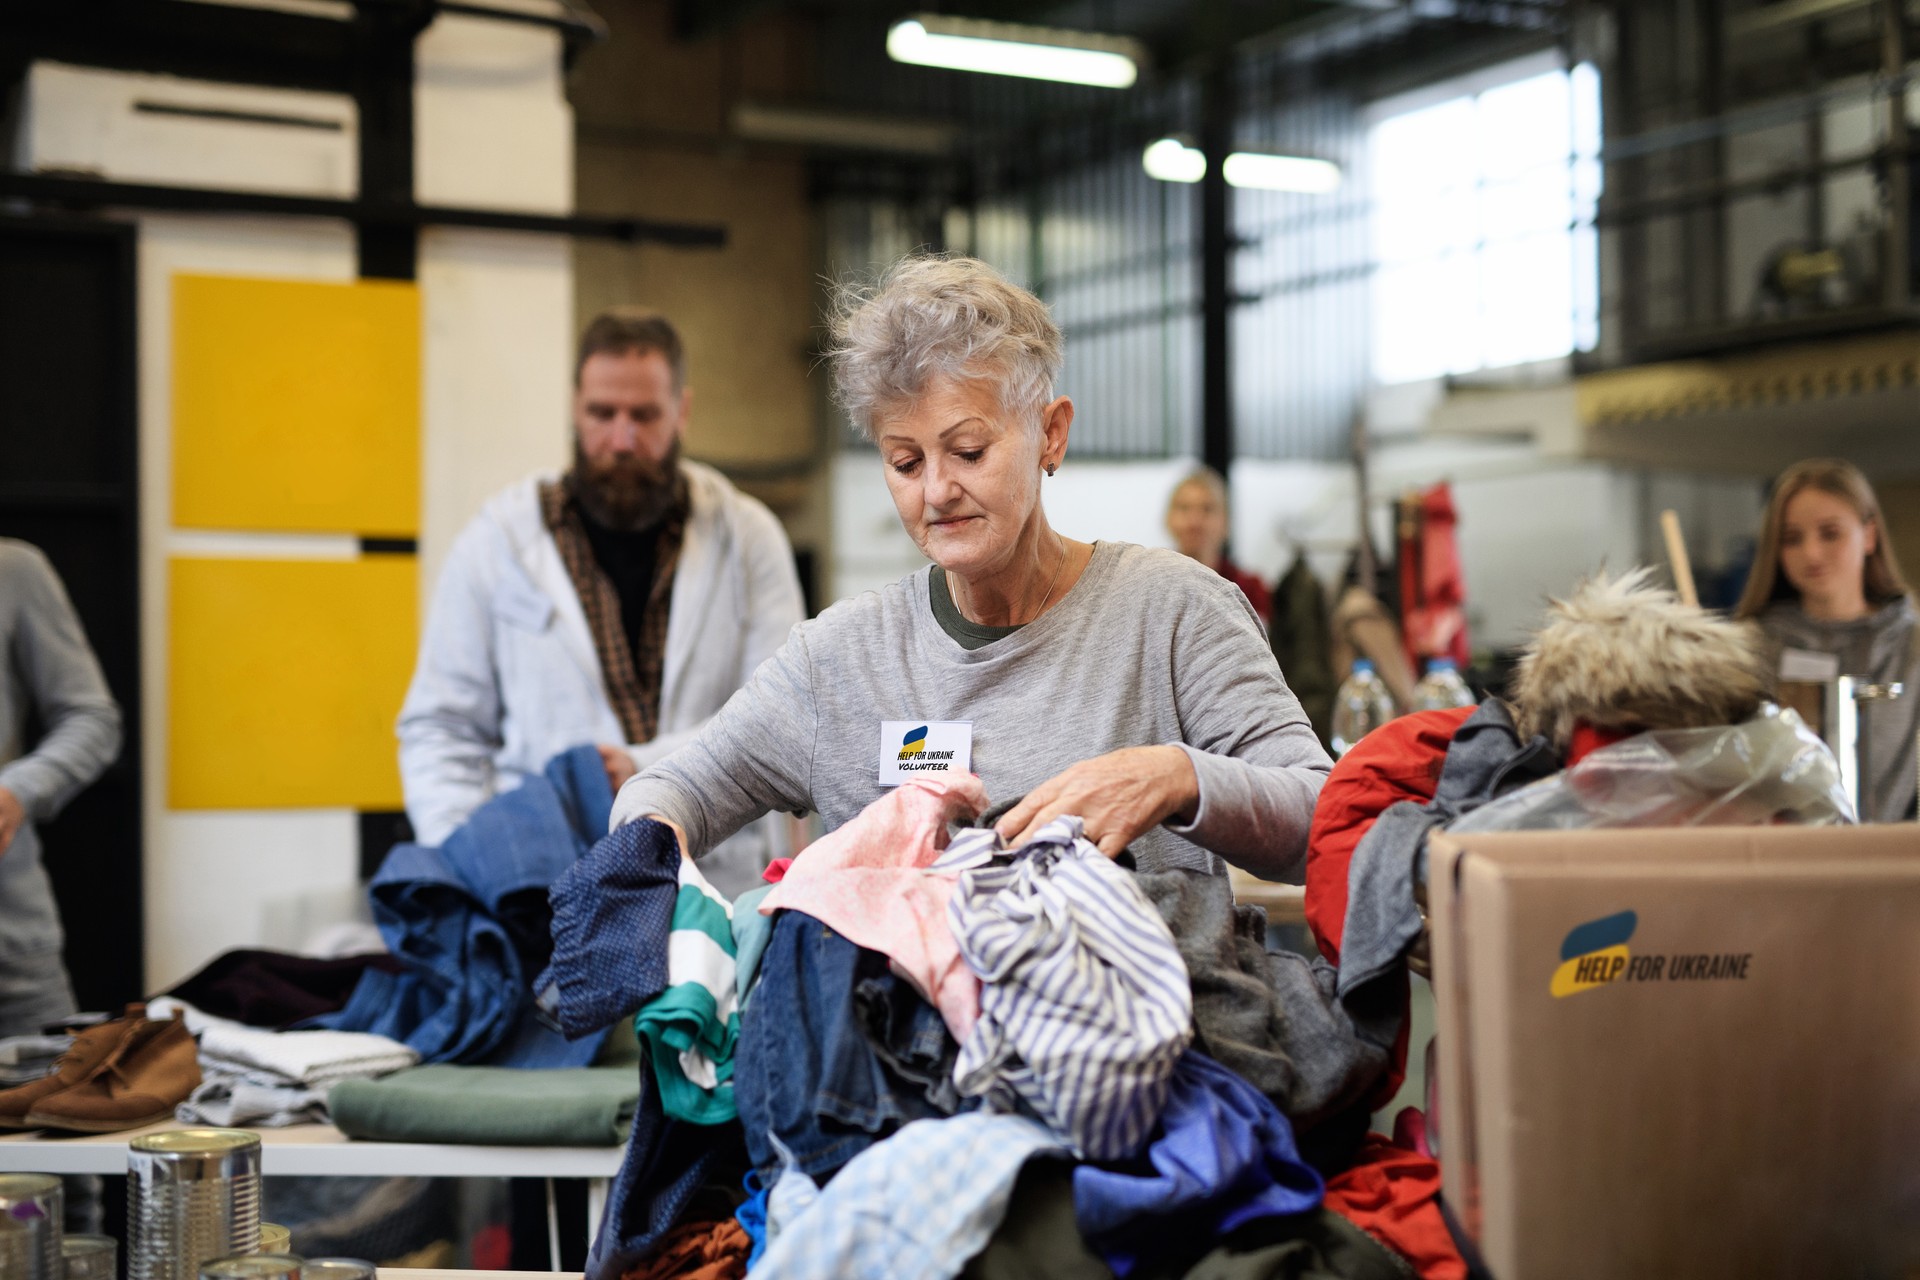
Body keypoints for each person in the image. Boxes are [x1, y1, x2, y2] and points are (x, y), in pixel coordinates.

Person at [611, 255, 1330, 880]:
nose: (937, 491)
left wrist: (1176, 776)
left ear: (1051, 434)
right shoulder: (839, 663)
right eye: (905, 461)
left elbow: (1320, 818)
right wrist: (645, 868)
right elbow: (673, 790)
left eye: (969, 451)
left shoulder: (1173, 615)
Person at [399, 309, 805, 891]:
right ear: (573, 408)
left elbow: (780, 716)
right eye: (602, 414)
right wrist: (467, 862)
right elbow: (441, 728)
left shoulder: (746, 537)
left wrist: (643, 767)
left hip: (716, 878)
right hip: (545, 889)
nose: (622, 439)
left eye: (644, 416)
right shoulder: (497, 543)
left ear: (681, 412)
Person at [1733, 458, 1920, 823]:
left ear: (1869, 535)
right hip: (1779, 865)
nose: (1812, 554)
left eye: (1830, 533)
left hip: (1900, 864)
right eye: (1792, 539)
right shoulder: (1747, 650)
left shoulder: (1912, 646)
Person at [0, 540, 121, 1037]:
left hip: (11, 947)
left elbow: (91, 718)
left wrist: (17, 791)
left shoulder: (13, 569)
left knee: (56, 1104)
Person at [1165, 466, 1271, 625]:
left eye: (1207, 509)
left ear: (1226, 521)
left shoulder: (1251, 591)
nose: (1195, 521)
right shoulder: (1155, 588)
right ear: (1168, 519)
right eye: (1184, 508)